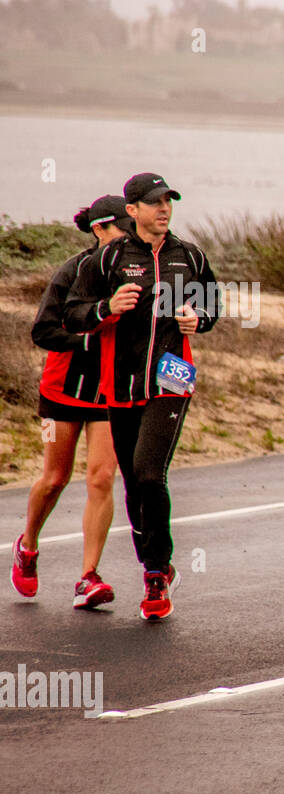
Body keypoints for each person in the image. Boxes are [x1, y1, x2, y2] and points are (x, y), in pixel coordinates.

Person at [65, 173, 221, 620]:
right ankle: (156, 562)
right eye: (154, 202)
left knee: (150, 473)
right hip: (121, 382)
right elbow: (73, 314)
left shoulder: (189, 255)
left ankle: (154, 575)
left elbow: (213, 303)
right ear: (131, 210)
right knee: (133, 480)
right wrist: (106, 308)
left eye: (168, 201)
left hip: (172, 379)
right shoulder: (110, 257)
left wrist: (199, 317)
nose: (164, 209)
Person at [10, 196, 129, 608]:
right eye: (122, 228)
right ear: (100, 230)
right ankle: (27, 545)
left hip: (108, 394)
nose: (130, 236)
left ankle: (88, 577)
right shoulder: (74, 271)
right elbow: (41, 332)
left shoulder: (138, 273)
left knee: (101, 478)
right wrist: (87, 341)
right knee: (54, 478)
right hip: (58, 394)